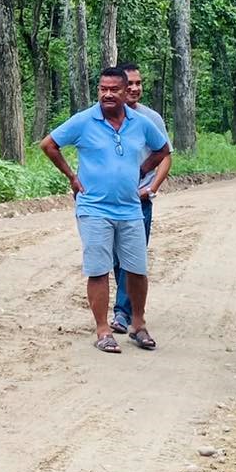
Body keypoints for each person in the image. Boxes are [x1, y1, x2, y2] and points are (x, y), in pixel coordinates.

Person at [40, 66, 173, 354]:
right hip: (94, 208)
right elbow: (49, 145)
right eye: (103, 89)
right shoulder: (85, 120)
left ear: (127, 92)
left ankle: (138, 324)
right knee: (98, 269)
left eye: (115, 89)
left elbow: (163, 151)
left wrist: (141, 171)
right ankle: (103, 329)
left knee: (137, 269)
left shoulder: (140, 122)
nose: (108, 94)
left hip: (130, 209)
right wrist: (72, 177)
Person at [110, 62, 171, 333]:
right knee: (113, 257)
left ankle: (123, 312)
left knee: (132, 255)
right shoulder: (103, 117)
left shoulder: (151, 119)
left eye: (138, 83)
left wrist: (151, 187)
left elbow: (166, 156)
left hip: (139, 199)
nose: (135, 89)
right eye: (130, 84)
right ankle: (127, 306)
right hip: (109, 199)